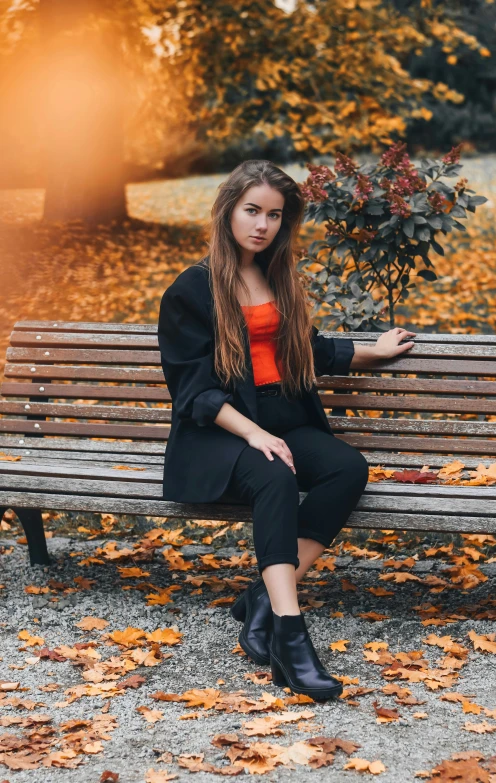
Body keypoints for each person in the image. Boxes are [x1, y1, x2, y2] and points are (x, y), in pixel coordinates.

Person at [158, 159, 416, 701]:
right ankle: (291, 641)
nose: (262, 225)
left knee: (347, 468)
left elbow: (313, 350)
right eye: (252, 211)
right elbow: (195, 394)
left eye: (274, 215)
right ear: (228, 209)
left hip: (282, 419)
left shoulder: (277, 277)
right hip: (219, 435)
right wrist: (252, 434)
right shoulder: (192, 289)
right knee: (275, 476)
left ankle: (260, 599)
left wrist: (375, 350)